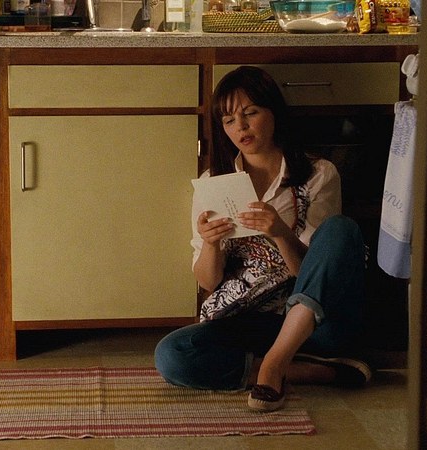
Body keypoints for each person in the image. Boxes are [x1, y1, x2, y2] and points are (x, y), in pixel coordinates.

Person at [154, 66, 371, 412]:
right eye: (229, 120)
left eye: (250, 113)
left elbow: (319, 274)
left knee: (341, 230)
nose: (240, 127)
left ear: (273, 112)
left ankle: (273, 365)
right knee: (172, 355)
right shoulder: (213, 183)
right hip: (250, 319)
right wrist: (210, 244)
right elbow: (209, 282)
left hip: (316, 323)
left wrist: (281, 233)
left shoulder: (318, 174)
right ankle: (316, 371)